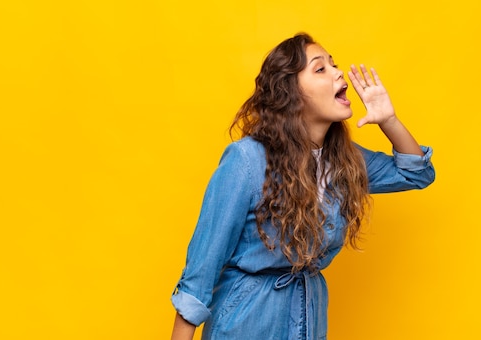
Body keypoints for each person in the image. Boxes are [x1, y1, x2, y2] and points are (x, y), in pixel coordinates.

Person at [170, 33, 435, 340]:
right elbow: (203, 265)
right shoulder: (248, 160)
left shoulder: (344, 160)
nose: (338, 73)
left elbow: (417, 174)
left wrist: (389, 120)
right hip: (246, 322)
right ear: (291, 93)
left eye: (334, 65)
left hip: (308, 317)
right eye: (320, 69)